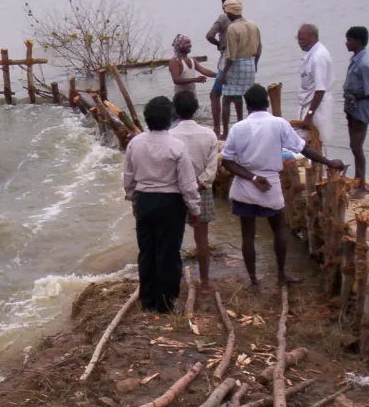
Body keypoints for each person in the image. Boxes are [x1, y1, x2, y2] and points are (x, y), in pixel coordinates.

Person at [220, 84, 343, 288]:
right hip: (270, 185)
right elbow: (304, 149)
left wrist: (251, 178)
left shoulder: (238, 128)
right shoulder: (279, 124)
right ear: (267, 103)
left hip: (245, 185)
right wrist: (329, 163)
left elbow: (226, 161)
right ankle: (280, 275)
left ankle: (253, 280)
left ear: (246, 105)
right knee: (279, 230)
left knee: (247, 235)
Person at [123, 96, 202, 312]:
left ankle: (148, 300)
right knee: (168, 252)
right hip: (170, 202)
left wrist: (133, 199)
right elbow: (187, 183)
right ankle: (166, 302)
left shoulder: (135, 143)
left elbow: (128, 176)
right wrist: (195, 209)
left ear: (146, 119)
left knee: (147, 250)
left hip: (145, 200)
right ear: (170, 118)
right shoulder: (177, 146)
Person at [170, 90, 219, 289]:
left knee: (175, 238)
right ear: (196, 109)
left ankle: (177, 279)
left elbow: (169, 168)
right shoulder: (209, 134)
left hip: (175, 191)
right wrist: (197, 184)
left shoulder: (170, 135)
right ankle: (205, 281)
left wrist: (185, 185)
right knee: (202, 239)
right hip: (202, 190)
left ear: (175, 110)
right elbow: (211, 169)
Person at [342, 26, 369, 197]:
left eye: (349, 40)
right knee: (354, 145)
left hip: (361, 108)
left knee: (357, 145)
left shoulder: (365, 64)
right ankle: (358, 178)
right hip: (353, 107)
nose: (346, 43)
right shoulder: (357, 60)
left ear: (357, 41)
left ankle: (361, 185)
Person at [219, 0, 261, 139]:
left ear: (229, 12)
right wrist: (255, 64)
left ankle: (225, 133)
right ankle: (246, 127)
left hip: (236, 64)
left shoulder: (233, 28)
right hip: (250, 62)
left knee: (227, 99)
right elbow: (259, 47)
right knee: (245, 97)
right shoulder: (253, 24)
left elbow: (231, 55)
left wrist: (224, 73)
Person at [205, 0, 238, 138]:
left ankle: (219, 130)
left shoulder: (224, 18)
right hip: (241, 60)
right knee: (236, 95)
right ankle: (238, 126)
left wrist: (219, 44)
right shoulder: (242, 20)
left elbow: (209, 35)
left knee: (215, 94)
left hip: (227, 59)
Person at [296, 23, 334, 148]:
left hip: (316, 106)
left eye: (302, 39)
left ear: (314, 37)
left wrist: (310, 115)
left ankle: (318, 166)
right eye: (298, 39)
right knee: (305, 141)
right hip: (307, 102)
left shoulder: (318, 57)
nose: (299, 42)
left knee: (316, 140)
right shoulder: (310, 54)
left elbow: (320, 89)